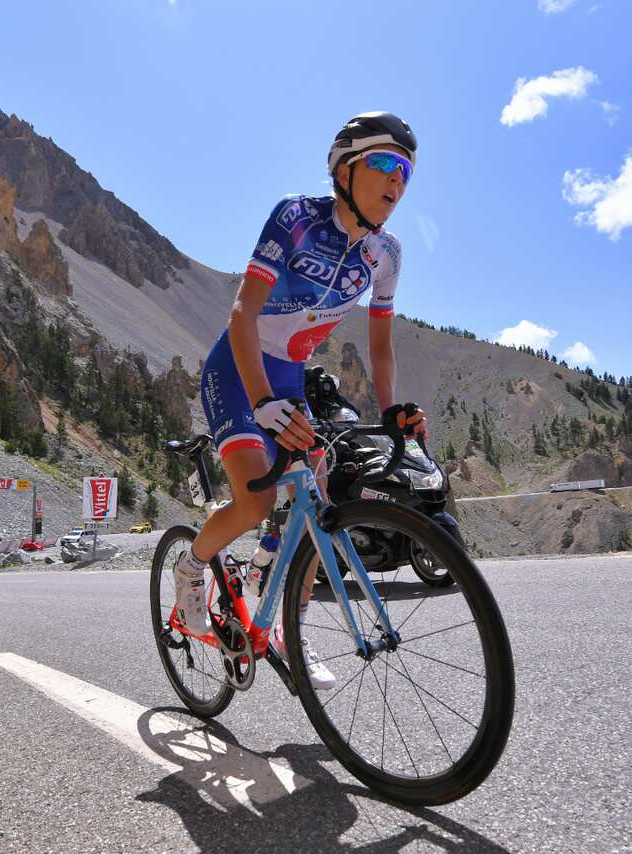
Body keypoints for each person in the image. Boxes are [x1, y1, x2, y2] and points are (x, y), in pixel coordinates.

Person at [175, 112, 428, 689]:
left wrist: (391, 411)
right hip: (240, 366)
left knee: (318, 490)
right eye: (386, 163)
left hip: (290, 373)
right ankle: (190, 573)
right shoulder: (297, 217)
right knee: (255, 502)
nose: (397, 180)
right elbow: (242, 315)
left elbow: (381, 345)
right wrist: (261, 401)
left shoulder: (387, 254)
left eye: (407, 172)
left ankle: (287, 619)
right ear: (345, 168)